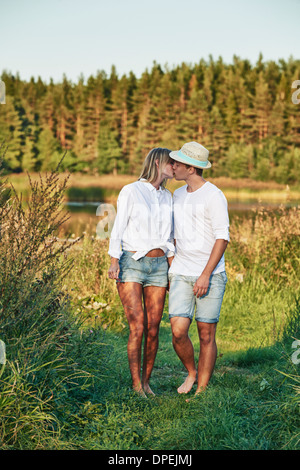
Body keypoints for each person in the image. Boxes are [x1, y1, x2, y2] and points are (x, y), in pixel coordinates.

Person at [108, 148, 175, 397]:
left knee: (154, 328)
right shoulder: (131, 190)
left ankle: (147, 382)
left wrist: (172, 267)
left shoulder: (168, 197)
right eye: (171, 163)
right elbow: (118, 226)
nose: (174, 167)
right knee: (137, 326)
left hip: (159, 267)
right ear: (158, 163)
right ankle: (136, 386)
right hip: (132, 262)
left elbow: (170, 237)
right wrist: (114, 260)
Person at [168, 141, 230, 398]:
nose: (172, 167)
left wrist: (205, 274)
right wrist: (173, 264)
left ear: (191, 169)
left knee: (206, 334)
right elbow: (172, 233)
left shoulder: (214, 195)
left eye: (177, 164)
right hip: (181, 272)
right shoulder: (178, 195)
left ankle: (202, 389)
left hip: (211, 275)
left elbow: (222, 237)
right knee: (178, 329)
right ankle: (191, 371)